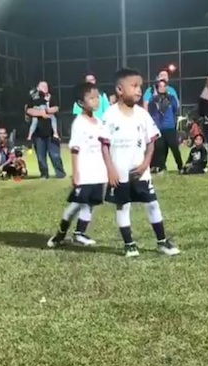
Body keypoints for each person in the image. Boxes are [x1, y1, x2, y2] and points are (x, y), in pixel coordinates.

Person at [102, 68, 180, 258]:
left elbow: (151, 142)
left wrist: (146, 163)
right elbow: (104, 146)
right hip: (119, 172)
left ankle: (162, 241)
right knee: (123, 206)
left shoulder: (142, 115)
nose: (138, 90)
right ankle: (129, 244)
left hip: (141, 171)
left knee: (152, 204)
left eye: (140, 86)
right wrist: (110, 170)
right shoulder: (109, 115)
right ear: (120, 90)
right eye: (134, 86)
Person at [48, 82, 108, 248]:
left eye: (97, 97)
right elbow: (75, 149)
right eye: (91, 98)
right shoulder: (79, 123)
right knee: (75, 205)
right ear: (81, 102)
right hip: (85, 173)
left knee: (89, 205)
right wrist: (76, 173)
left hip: (99, 173)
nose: (96, 101)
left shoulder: (100, 122)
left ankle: (79, 234)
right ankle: (60, 235)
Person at [25, 81, 66, 179]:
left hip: (52, 133)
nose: (45, 87)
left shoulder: (53, 97)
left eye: (46, 85)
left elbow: (56, 108)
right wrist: (41, 114)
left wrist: (46, 111)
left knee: (55, 155)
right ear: (38, 88)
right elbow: (29, 110)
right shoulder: (33, 99)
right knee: (40, 157)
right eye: (42, 86)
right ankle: (44, 174)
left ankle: (60, 174)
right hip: (38, 133)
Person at [147, 79, 183, 173]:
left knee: (174, 147)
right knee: (160, 149)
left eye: (164, 86)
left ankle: (180, 166)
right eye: (160, 86)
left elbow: (176, 110)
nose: (162, 88)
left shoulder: (171, 98)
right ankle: (162, 167)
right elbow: (151, 112)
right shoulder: (153, 99)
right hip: (159, 128)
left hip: (170, 127)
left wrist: (173, 121)